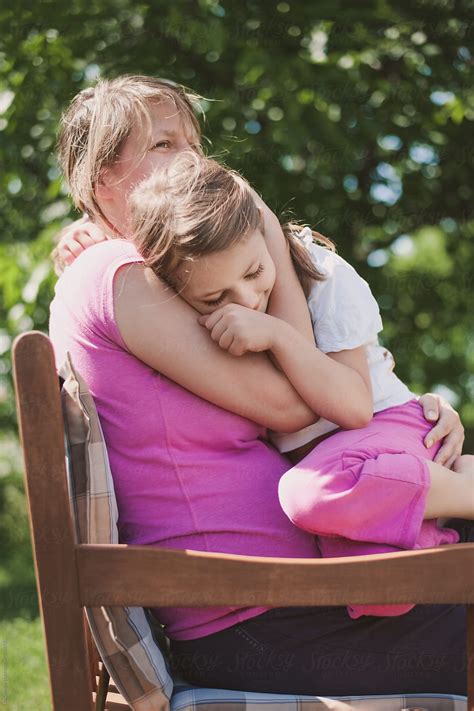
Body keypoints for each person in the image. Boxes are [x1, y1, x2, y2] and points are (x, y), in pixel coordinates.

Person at [49, 74, 470, 697]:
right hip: (266, 621)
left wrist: (411, 412)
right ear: (100, 180)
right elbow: (296, 403)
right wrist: (265, 229)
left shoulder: (169, 281)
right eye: (164, 144)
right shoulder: (122, 274)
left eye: (193, 142)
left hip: (301, 600)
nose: (192, 159)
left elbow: (326, 394)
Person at [125, 150, 472, 624]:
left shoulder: (322, 277)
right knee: (379, 593)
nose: (247, 300)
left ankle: (465, 488)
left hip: (386, 430)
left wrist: (279, 335)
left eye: (253, 273)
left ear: (263, 235)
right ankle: (439, 528)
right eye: (215, 297)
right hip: (356, 479)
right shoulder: (186, 320)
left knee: (308, 492)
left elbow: (354, 408)